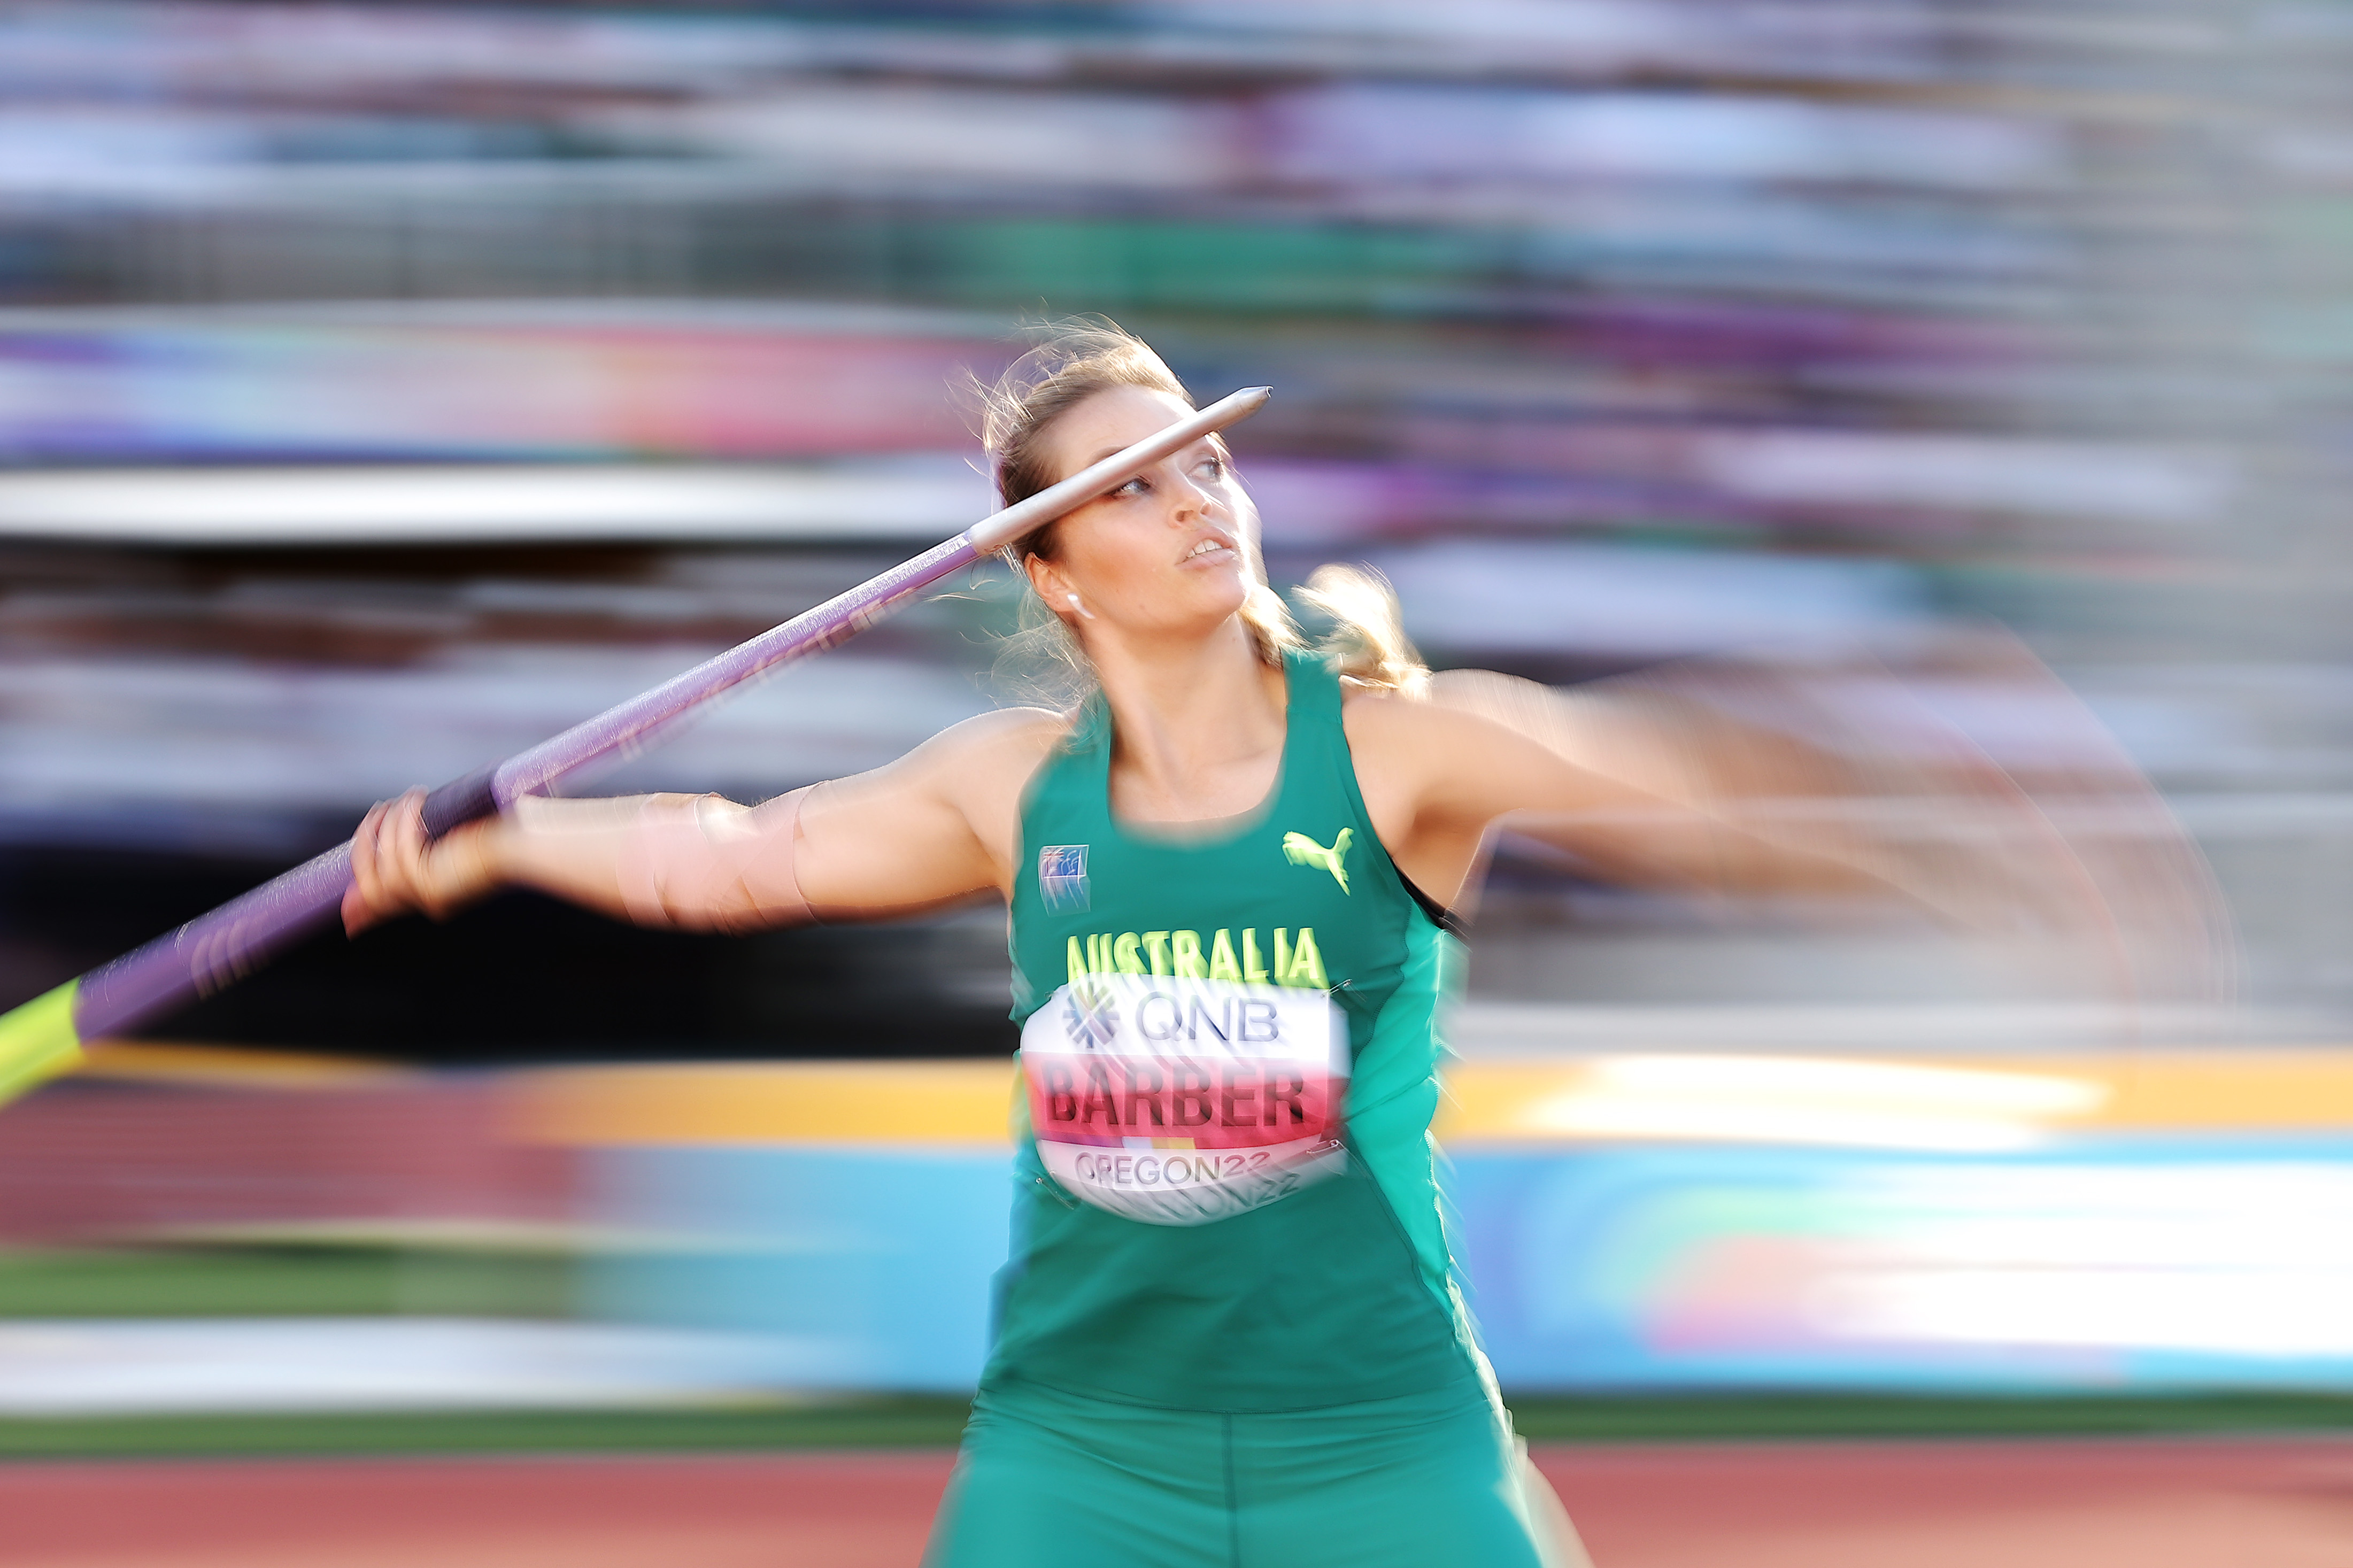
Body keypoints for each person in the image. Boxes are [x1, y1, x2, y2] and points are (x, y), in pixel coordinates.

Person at [340, 322, 2125, 1566]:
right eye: (1124, 488)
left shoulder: (1403, 753)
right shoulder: (1010, 792)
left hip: (1385, 1443)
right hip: (1078, 1449)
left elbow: (1701, 797)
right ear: (1048, 572)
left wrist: (1941, 833)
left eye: (1198, 459)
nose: (1193, 498)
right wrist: (495, 843)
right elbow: (733, 855)